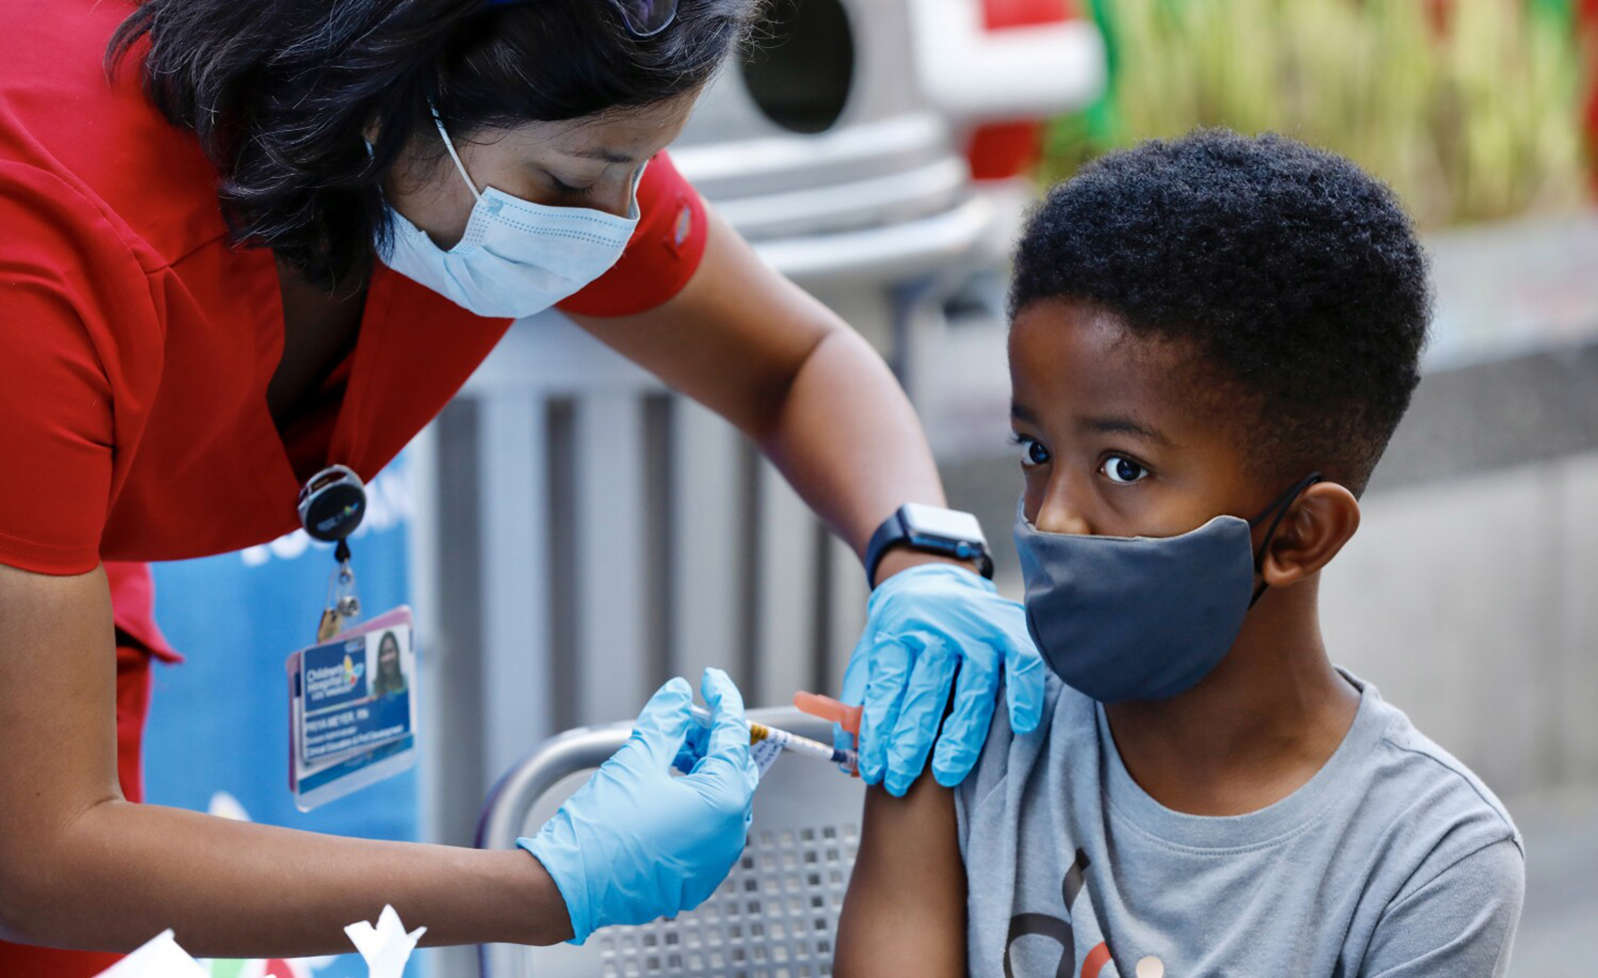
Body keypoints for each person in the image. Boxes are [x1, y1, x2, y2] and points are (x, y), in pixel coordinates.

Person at [0, 0, 1042, 971]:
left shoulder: (524, 132)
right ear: (376, 108)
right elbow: (40, 861)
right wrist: (540, 887)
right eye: (571, 185)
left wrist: (925, 558)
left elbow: (793, 363)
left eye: (642, 170)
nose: (612, 230)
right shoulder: (46, 262)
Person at [835, 130, 1526, 977]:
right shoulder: (960, 720)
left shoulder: (1424, 858)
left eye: (1124, 467)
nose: (1053, 517)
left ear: (1299, 535)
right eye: (1035, 450)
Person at [373, 631, 407, 698]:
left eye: (390, 651)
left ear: (397, 653)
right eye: (383, 653)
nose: (387, 658)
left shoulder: (406, 681)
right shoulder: (373, 689)